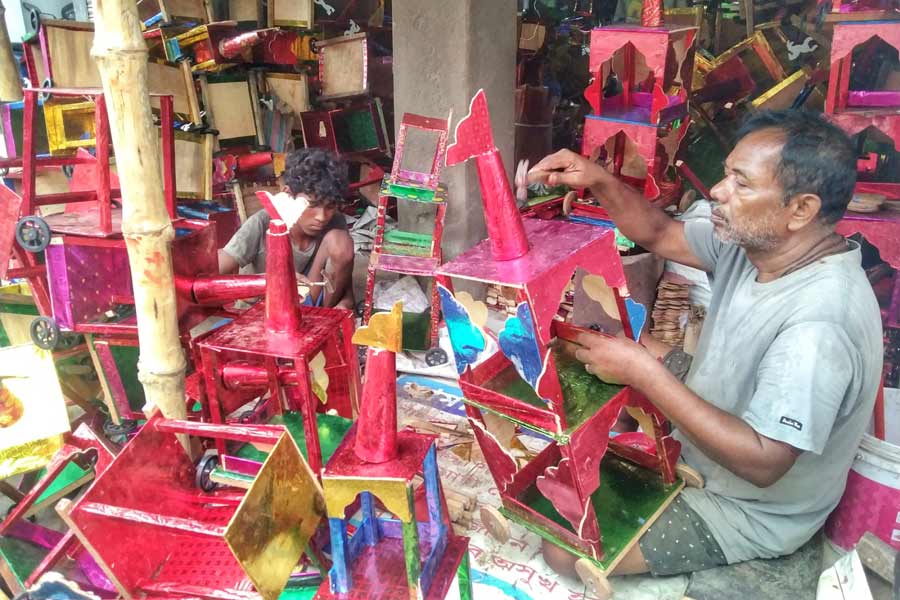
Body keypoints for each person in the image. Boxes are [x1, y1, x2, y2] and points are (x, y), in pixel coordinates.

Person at [529, 109, 882, 576]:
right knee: (615, 343)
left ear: (801, 209)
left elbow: (764, 462)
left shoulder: (819, 323)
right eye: (727, 173)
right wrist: (597, 179)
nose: (718, 191)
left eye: (742, 183)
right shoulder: (758, 246)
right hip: (713, 425)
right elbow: (658, 233)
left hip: (752, 507)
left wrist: (644, 373)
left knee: (564, 548)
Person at [218, 148, 355, 309]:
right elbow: (212, 273)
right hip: (263, 312)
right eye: (311, 205)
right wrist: (268, 281)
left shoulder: (335, 221)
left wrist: (344, 307)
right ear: (288, 195)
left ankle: (321, 317)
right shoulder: (261, 223)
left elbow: (345, 290)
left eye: (330, 206)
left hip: (309, 307)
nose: (322, 216)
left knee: (341, 242)